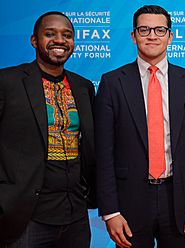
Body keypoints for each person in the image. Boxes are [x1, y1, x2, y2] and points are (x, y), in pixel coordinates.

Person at [94, 5, 185, 248]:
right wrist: (111, 212)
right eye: (144, 29)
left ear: (170, 35)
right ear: (133, 35)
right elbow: (103, 153)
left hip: (180, 200)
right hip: (130, 203)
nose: (152, 35)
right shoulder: (112, 83)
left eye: (160, 29)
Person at [0, 11, 96, 247]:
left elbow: (90, 146)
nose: (60, 41)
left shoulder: (83, 87)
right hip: (25, 217)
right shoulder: (8, 82)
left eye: (67, 35)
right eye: (50, 34)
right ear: (34, 40)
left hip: (75, 215)